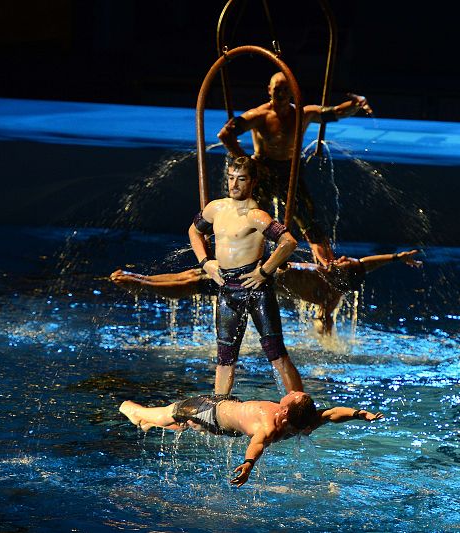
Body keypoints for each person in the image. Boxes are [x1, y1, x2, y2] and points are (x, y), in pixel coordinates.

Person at [218, 72, 373, 266]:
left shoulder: (303, 114)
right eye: (277, 89)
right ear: (269, 90)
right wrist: (249, 162)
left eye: (285, 90)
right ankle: (242, 261)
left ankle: (328, 265)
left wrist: (357, 103)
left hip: (290, 172)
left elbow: (337, 112)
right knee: (252, 219)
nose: (281, 94)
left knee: (308, 221)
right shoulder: (258, 115)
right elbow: (225, 134)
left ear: (292, 92)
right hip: (263, 172)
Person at [188, 155, 301, 395]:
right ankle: (219, 407)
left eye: (241, 179)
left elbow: (288, 242)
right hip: (226, 286)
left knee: (275, 352)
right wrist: (205, 262)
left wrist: (263, 271)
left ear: (252, 182)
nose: (234, 185)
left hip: (255, 288)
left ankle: (300, 405)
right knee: (225, 355)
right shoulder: (215, 208)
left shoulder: (255, 215)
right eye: (231, 178)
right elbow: (194, 231)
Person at [109, 251, 422, 334]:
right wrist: (396, 258)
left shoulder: (332, 293)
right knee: (195, 274)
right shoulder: (334, 272)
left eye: (344, 262)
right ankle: (143, 279)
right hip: (259, 270)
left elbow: (325, 322)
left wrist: (323, 332)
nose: (338, 258)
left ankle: (141, 286)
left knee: (195, 285)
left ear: (343, 275)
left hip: (255, 283)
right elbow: (366, 265)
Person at [119, 391, 383, 487]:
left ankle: (136, 414)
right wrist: (361, 414)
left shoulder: (268, 426)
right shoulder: (304, 422)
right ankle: (160, 425)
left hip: (210, 412)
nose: (290, 391)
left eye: (289, 396)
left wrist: (247, 465)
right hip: (226, 412)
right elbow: (334, 413)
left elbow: (256, 444)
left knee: (169, 413)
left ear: (283, 411)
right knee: (181, 423)